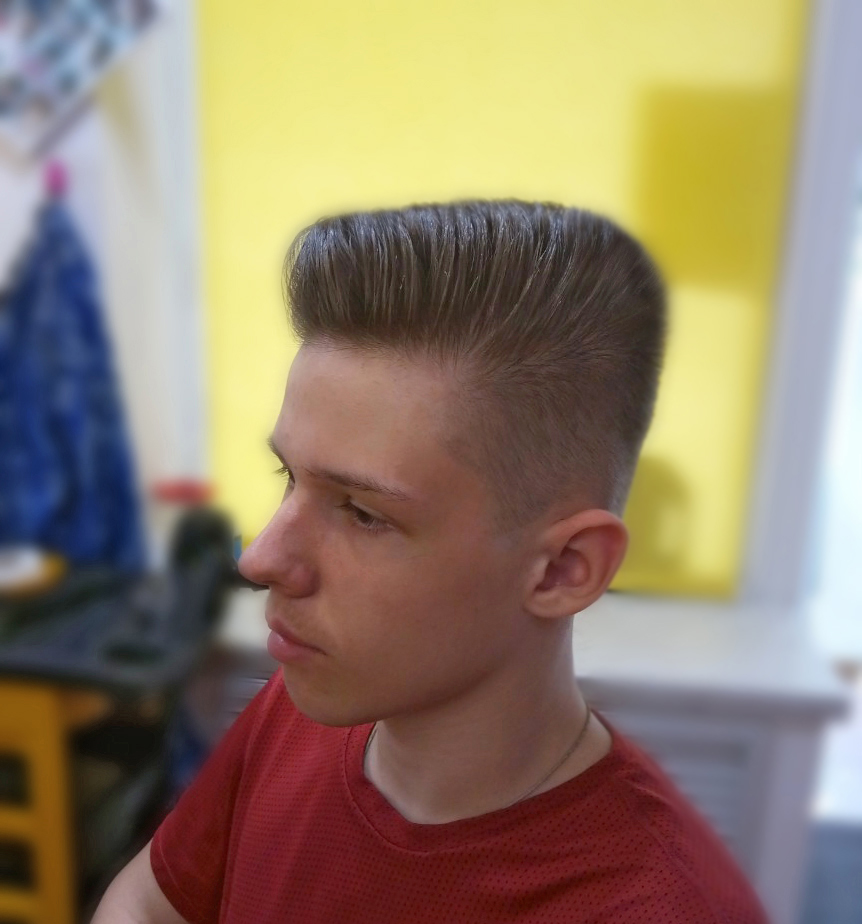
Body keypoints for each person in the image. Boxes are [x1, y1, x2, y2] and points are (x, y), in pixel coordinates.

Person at [92, 201, 769, 923]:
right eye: (289, 476)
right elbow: (148, 901)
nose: (261, 558)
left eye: (363, 513)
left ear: (564, 569)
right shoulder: (303, 703)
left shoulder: (654, 907)